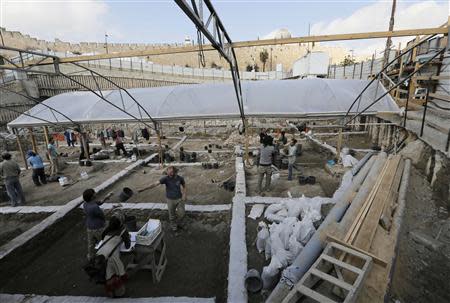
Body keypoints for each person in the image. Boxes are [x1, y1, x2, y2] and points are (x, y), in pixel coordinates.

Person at [138, 166, 187, 231]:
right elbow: (154, 184)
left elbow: (184, 186)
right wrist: (143, 189)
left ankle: (179, 223)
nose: (170, 174)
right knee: (172, 215)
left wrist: (184, 195)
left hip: (179, 199)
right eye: (168, 172)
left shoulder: (180, 178)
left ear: (175, 172)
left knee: (182, 214)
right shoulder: (165, 178)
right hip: (170, 200)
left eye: (172, 172)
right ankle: (174, 226)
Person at [97, 214, 130, 298]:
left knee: (107, 273)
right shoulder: (122, 231)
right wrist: (126, 238)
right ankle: (118, 292)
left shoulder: (106, 230)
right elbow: (128, 246)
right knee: (115, 272)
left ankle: (109, 291)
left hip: (100, 254)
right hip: (111, 256)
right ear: (120, 224)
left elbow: (102, 238)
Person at [83, 188, 113, 260]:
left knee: (91, 243)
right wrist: (113, 208)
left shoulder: (86, 204)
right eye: (94, 193)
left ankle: (90, 256)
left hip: (89, 226)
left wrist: (106, 197)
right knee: (103, 241)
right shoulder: (94, 207)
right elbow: (104, 215)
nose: (95, 193)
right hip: (98, 227)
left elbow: (99, 202)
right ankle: (104, 256)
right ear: (92, 196)